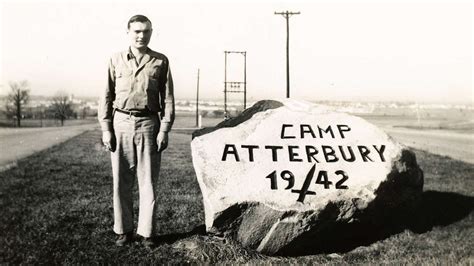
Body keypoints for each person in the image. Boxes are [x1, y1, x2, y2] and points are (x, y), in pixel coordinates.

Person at [98, 14, 175, 248]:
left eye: (146, 31)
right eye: (137, 31)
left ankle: (147, 233)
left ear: (151, 33)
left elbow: (169, 99)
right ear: (128, 32)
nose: (141, 35)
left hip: (149, 124)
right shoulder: (115, 59)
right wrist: (106, 128)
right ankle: (124, 230)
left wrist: (164, 129)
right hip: (120, 122)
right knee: (121, 181)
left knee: (148, 181)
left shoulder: (160, 61)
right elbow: (106, 96)